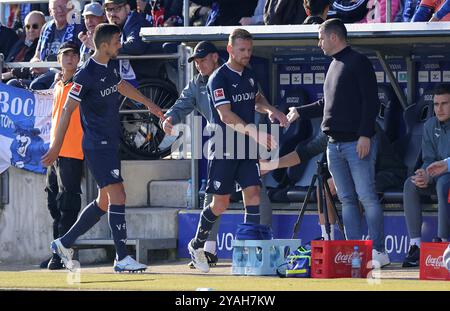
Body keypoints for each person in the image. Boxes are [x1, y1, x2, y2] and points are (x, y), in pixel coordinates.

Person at [41, 23, 165, 272]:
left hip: (109, 143)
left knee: (105, 201)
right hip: (97, 145)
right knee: (118, 196)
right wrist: (56, 147)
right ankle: (121, 259)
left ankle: (64, 243)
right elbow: (67, 110)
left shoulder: (109, 67)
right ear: (105, 45)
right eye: (118, 41)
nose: (121, 45)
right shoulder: (85, 73)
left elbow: (122, 86)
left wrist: (150, 104)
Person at [163, 41, 281, 268]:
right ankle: (204, 248)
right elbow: (182, 106)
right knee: (217, 201)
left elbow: (257, 101)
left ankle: (257, 246)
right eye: (195, 61)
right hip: (222, 144)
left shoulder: (245, 74)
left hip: (247, 142)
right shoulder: (198, 84)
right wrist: (169, 117)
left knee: (256, 193)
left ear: (216, 57)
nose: (198, 65)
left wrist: (270, 114)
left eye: (202, 60)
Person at [287, 19, 390, 267]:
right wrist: (299, 111)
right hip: (334, 145)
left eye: (321, 38)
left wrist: (365, 134)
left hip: (357, 143)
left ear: (334, 37)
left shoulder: (358, 61)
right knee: (347, 199)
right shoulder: (333, 65)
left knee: (367, 197)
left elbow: (370, 102)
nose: (319, 43)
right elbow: (326, 106)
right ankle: (356, 251)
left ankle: (378, 251)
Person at [40, 41, 84, 270]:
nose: (70, 58)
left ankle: (64, 254)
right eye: (65, 54)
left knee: (68, 204)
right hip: (56, 152)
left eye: (74, 55)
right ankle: (57, 250)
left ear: (78, 59)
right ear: (59, 59)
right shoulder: (58, 84)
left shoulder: (81, 83)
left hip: (74, 151)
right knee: (53, 203)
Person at [402, 83, 450, 268]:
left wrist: (442, 168)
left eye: (444, 103)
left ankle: (443, 241)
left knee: (443, 183)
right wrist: (425, 174)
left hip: (448, 176)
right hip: (436, 174)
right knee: (411, 184)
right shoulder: (430, 124)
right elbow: (428, 158)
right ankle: (415, 245)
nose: (439, 109)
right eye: (436, 104)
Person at [27, 0, 84, 90]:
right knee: (13, 83)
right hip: (42, 75)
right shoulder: (46, 27)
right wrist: (35, 63)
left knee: (37, 85)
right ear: (50, 12)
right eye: (55, 8)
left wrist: (47, 68)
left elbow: (76, 58)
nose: (60, 10)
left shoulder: (79, 26)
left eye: (63, 6)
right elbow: (36, 56)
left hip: (65, 75)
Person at [2, 11, 45, 83]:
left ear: (44, 26)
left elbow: (33, 69)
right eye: (27, 27)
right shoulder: (20, 42)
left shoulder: (43, 45)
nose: (31, 30)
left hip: (23, 82)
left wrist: (10, 74)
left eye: (35, 26)